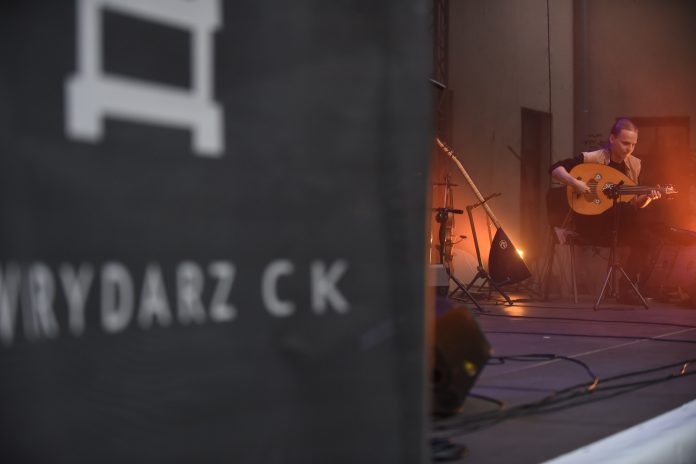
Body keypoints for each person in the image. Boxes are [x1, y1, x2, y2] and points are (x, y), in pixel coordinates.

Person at [549, 118, 662, 304]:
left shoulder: (635, 165)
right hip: (591, 223)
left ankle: (626, 289)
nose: (629, 149)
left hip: (619, 224)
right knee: (626, 211)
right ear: (612, 138)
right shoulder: (592, 158)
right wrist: (575, 183)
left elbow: (635, 202)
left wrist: (649, 197)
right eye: (625, 143)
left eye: (633, 144)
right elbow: (554, 169)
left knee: (649, 241)